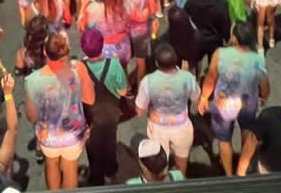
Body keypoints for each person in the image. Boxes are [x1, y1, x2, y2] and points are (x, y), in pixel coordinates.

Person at [24, 32, 94, 191]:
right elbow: (90, 99)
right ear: (67, 51)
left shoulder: (33, 80)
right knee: (70, 169)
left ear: (44, 52)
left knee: (51, 165)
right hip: (73, 133)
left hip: (48, 135)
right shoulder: (78, 69)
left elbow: (32, 116)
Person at [199, 21, 269, 176]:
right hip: (247, 103)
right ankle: (242, 167)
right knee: (247, 131)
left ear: (235, 39)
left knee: (224, 140)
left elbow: (211, 78)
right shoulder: (257, 60)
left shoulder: (220, 54)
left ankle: (229, 174)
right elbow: (265, 87)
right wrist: (263, 97)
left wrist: (204, 98)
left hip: (223, 104)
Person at [135, 42, 200, 175]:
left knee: (159, 166)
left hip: (158, 127)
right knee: (182, 162)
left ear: (157, 63)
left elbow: (139, 110)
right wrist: (185, 75)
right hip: (181, 127)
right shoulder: (187, 78)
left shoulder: (148, 81)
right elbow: (197, 99)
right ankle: (179, 183)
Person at [79, 28, 126, 186]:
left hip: (90, 117)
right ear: (102, 45)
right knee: (110, 142)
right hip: (111, 115)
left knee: (93, 147)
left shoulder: (80, 68)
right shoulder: (114, 64)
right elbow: (123, 91)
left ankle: (96, 177)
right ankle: (111, 171)